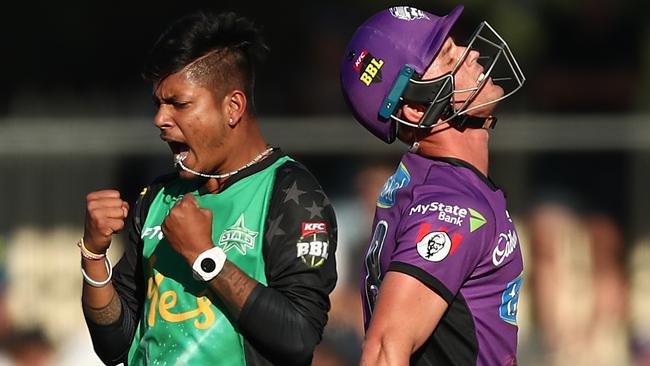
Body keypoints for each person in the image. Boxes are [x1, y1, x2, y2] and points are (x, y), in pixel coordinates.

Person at [79, 11, 337, 366]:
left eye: (179, 104)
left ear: (232, 107)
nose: (160, 119)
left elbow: (299, 336)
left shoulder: (290, 193)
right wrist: (93, 255)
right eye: (158, 104)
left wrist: (205, 257)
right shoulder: (156, 199)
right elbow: (116, 345)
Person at [340, 5, 525, 365]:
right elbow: (383, 351)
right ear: (414, 108)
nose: (470, 54)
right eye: (447, 56)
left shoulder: (437, 182)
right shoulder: (450, 206)